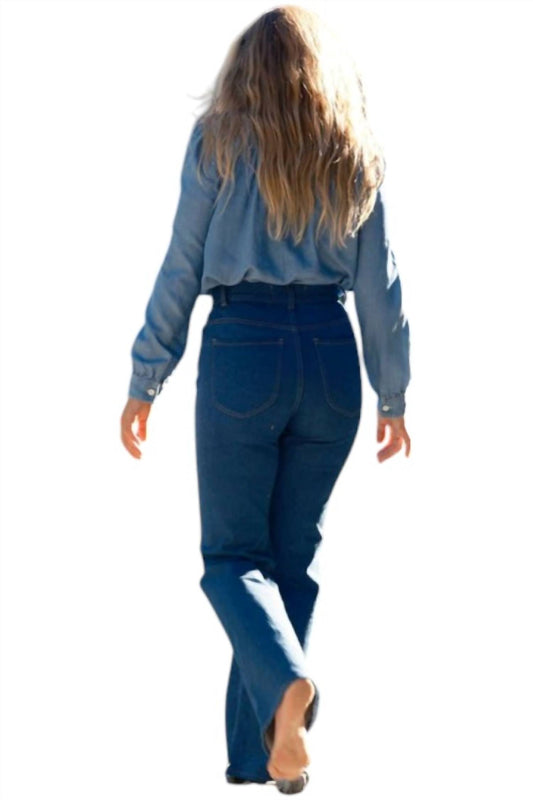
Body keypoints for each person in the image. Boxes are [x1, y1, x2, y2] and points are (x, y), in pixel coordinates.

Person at [120, 5, 411, 794]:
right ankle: (266, 755)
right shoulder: (353, 149)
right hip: (330, 355)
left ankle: (287, 692)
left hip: (243, 346)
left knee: (232, 559)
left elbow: (183, 262)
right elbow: (379, 287)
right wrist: (392, 395)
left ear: (244, 70)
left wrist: (147, 374)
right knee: (287, 563)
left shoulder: (218, 140)